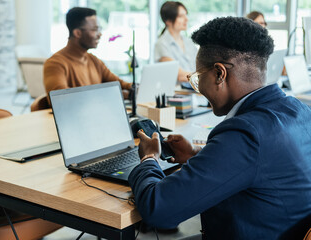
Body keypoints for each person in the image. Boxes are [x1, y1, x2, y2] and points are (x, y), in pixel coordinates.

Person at [129, 16, 311, 239]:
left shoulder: (245, 133)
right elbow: (262, 167)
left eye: (198, 78)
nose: (198, 89)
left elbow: (158, 210)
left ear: (219, 73)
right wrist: (196, 155)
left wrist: (149, 158)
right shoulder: (298, 109)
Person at [43, 7, 132, 104]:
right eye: (95, 29)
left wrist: (135, 88)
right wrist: (115, 95)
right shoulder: (55, 64)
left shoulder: (94, 60)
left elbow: (120, 84)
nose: (100, 34)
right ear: (77, 33)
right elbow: (60, 100)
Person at [154, 1, 198, 83]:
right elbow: (180, 75)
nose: (186, 19)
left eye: (186, 15)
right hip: (177, 93)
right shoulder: (162, 44)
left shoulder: (189, 42)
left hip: (194, 92)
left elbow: (200, 66)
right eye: (181, 16)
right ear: (168, 21)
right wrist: (204, 76)